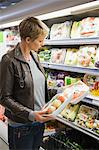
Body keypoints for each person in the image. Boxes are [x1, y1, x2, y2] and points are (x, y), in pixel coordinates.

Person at [0, 17, 53, 150]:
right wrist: (30, 114)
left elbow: (38, 87)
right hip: (21, 126)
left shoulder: (35, 57)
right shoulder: (9, 60)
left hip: (39, 121)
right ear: (28, 39)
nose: (43, 43)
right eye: (40, 40)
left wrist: (64, 90)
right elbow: (4, 97)